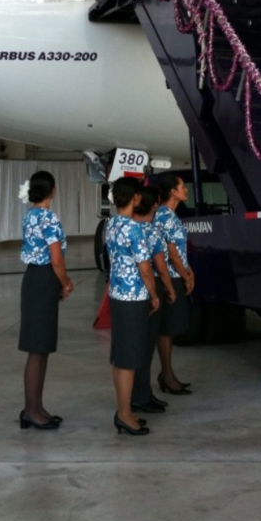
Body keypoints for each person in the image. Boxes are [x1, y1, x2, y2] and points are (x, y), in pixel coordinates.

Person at [18, 170, 73, 430]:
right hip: (45, 278)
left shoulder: (30, 216)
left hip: (33, 278)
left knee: (40, 347)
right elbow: (57, 259)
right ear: (52, 191)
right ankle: (31, 410)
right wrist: (66, 283)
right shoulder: (49, 219)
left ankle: (36, 407)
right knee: (38, 348)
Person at [106, 177, 160, 436]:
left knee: (120, 357)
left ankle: (123, 409)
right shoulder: (134, 229)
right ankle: (125, 415)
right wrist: (154, 295)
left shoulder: (112, 224)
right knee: (129, 359)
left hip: (116, 295)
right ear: (136, 198)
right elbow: (145, 268)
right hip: (133, 298)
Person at [131, 185, 176, 415]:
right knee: (146, 346)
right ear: (154, 205)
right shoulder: (151, 231)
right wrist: (168, 290)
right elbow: (159, 267)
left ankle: (140, 393)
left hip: (128, 292)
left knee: (135, 347)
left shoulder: (124, 226)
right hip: (149, 289)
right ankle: (141, 396)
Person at [153, 173, 195, 395]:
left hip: (176, 274)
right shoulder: (165, 217)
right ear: (173, 192)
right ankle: (167, 375)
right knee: (167, 329)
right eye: (182, 187)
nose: (186, 190)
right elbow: (171, 253)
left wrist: (188, 270)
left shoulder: (169, 215)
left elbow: (178, 251)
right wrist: (185, 274)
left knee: (169, 328)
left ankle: (167, 373)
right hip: (169, 277)